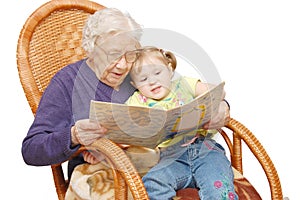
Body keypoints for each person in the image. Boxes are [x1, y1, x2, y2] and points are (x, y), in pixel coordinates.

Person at [21, 7, 143, 178]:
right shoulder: (67, 82)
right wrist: (73, 136)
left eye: (130, 55)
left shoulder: (138, 75)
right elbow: (31, 149)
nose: (123, 65)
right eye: (114, 54)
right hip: (100, 178)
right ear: (92, 49)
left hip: (150, 171)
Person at [125, 46, 238, 200]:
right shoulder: (136, 101)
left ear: (170, 69)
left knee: (218, 186)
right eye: (143, 79)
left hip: (205, 150)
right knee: (152, 182)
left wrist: (218, 104)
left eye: (157, 73)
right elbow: (122, 125)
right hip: (171, 158)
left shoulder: (184, 83)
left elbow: (217, 91)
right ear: (134, 84)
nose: (152, 81)